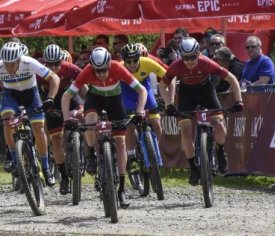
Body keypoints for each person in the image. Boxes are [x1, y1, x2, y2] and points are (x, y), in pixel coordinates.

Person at [61, 47, 147, 208]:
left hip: (115, 101)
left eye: (104, 70)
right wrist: (66, 120)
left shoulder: (117, 67)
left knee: (120, 143)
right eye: (97, 71)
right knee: (90, 123)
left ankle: (121, 189)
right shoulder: (87, 71)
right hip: (95, 99)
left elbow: (142, 90)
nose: (100, 74)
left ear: (109, 65)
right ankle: (91, 155)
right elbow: (67, 96)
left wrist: (139, 112)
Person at [160, 38, 243, 185]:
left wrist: (239, 101)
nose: (190, 61)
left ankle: (220, 150)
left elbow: (232, 79)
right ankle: (193, 168)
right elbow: (162, 86)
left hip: (207, 92)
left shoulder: (207, 62)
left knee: (218, 123)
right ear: (181, 56)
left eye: (193, 57)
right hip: (186, 95)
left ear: (199, 53)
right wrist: (169, 105)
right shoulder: (176, 66)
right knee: (185, 130)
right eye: (186, 58)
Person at [0, 42, 60, 187]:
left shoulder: (29, 63)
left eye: (12, 64)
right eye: (6, 64)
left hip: (31, 94)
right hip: (11, 95)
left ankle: (46, 167)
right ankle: (15, 161)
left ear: (19, 60)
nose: (9, 68)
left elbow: (54, 78)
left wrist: (50, 98)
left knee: (39, 130)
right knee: (7, 121)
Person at [40, 44, 83, 194]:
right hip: (51, 101)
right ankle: (64, 177)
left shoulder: (70, 68)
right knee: (57, 139)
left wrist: (90, 104)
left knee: (85, 116)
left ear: (62, 61)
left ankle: (87, 151)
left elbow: (84, 86)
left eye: (57, 63)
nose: (53, 67)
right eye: (49, 64)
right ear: (45, 62)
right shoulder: (39, 71)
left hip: (70, 97)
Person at [119, 43, 172, 152]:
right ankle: (131, 154)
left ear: (139, 57)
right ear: (124, 60)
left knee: (156, 121)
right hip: (127, 93)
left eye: (135, 60)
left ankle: (156, 150)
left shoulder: (147, 62)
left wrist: (170, 98)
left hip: (145, 90)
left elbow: (168, 77)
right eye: (128, 61)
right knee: (130, 126)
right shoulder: (119, 67)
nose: (132, 64)